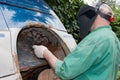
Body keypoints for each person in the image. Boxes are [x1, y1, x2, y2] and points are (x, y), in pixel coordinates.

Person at [33, 2, 120, 80]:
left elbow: (65, 71)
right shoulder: (114, 39)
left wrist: (45, 52)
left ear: (96, 15)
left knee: (46, 75)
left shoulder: (95, 39)